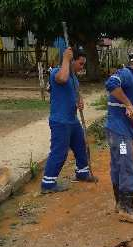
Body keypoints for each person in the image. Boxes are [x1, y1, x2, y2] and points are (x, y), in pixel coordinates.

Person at [41, 47, 98, 194]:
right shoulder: (57, 72)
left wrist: (80, 101)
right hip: (60, 121)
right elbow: (62, 79)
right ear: (72, 61)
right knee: (59, 152)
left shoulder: (74, 77)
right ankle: (48, 183)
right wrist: (65, 58)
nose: (82, 67)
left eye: (83, 64)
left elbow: (76, 93)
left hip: (72, 120)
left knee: (81, 146)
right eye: (80, 63)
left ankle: (82, 172)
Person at [104, 51, 133, 224]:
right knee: (126, 166)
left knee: (118, 165)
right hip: (120, 134)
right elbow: (110, 83)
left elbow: (130, 116)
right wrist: (128, 103)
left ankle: (120, 204)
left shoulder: (132, 79)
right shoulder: (125, 74)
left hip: (120, 131)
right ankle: (126, 209)